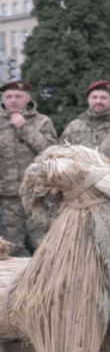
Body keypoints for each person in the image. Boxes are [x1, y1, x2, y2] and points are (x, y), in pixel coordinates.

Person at [0, 80, 57, 256]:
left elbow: (50, 151)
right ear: (2, 99)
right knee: (11, 247)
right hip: (8, 196)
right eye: (8, 96)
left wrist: (23, 127)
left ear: (28, 99)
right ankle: (13, 283)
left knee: (44, 245)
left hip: (38, 194)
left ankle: (48, 283)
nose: (13, 100)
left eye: (18, 96)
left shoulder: (42, 121)